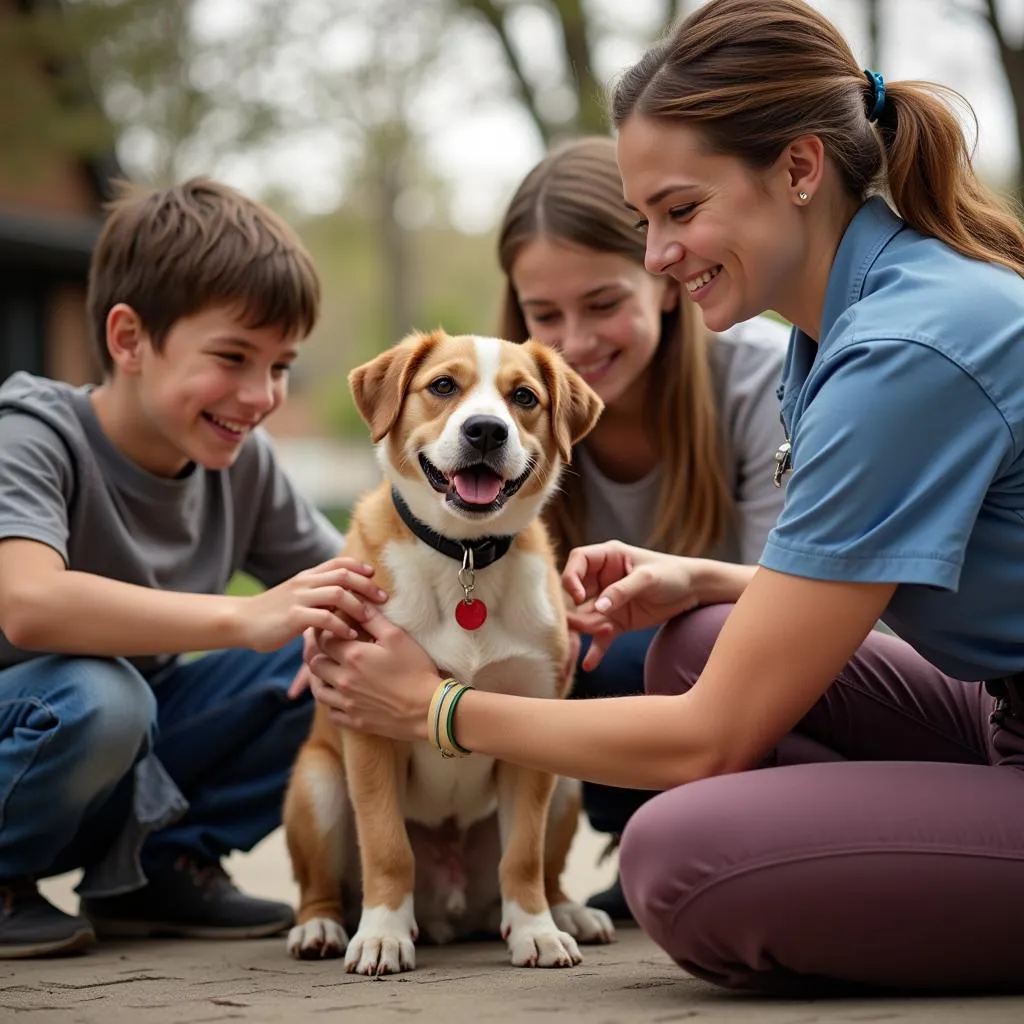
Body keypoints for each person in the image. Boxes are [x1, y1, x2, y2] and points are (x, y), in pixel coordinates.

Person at [300, 0, 1024, 997]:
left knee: (679, 857)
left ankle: (876, 854)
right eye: (646, 220)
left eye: (680, 211)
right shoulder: (845, 326)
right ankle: (893, 845)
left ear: (801, 170)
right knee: (694, 639)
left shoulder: (902, 351)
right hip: (998, 709)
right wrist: (700, 575)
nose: (654, 256)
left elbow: (707, 739)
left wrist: (436, 707)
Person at [0, 178, 385, 960]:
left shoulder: (242, 463)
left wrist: (519, 610)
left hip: (129, 750)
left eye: (280, 365)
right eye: (233, 357)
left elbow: (367, 587)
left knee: (334, 643)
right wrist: (243, 618)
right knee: (103, 698)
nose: (260, 395)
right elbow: (28, 605)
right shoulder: (33, 432)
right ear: (130, 338)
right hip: (41, 727)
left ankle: (155, 867)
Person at [494, 135, 789, 918]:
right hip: (584, 688)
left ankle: (691, 840)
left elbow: (802, 608)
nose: (576, 343)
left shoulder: (760, 382)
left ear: (661, 281)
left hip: (741, 692)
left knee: (650, 648)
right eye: (543, 313)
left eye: (603, 304)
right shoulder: (498, 423)